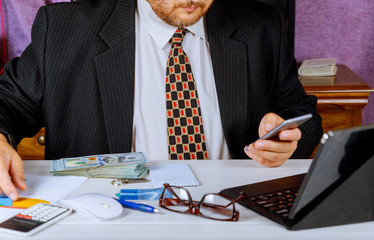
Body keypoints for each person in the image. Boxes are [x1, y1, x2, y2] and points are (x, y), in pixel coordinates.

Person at [0, 0, 323, 201]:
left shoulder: (261, 25)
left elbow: (302, 115)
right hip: (112, 217)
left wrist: (287, 142)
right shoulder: (65, 29)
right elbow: (7, 103)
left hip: (228, 212)